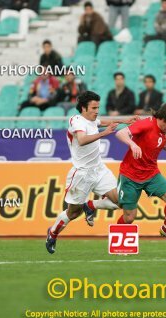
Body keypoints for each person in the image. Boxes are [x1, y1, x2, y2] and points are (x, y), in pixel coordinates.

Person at [45, 91, 136, 254]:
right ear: (83, 108)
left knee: (120, 202)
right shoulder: (76, 121)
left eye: (98, 107)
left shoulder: (93, 120)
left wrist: (125, 121)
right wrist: (104, 133)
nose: (97, 111)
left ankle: (90, 205)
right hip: (82, 174)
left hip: (99, 170)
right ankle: (52, 233)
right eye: (94, 108)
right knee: (73, 213)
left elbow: (103, 121)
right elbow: (82, 139)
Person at [114, 102, 166, 245]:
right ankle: (118, 245)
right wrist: (132, 144)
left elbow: (162, 142)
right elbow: (120, 133)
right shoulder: (147, 124)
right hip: (131, 175)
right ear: (160, 118)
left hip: (151, 173)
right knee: (129, 218)